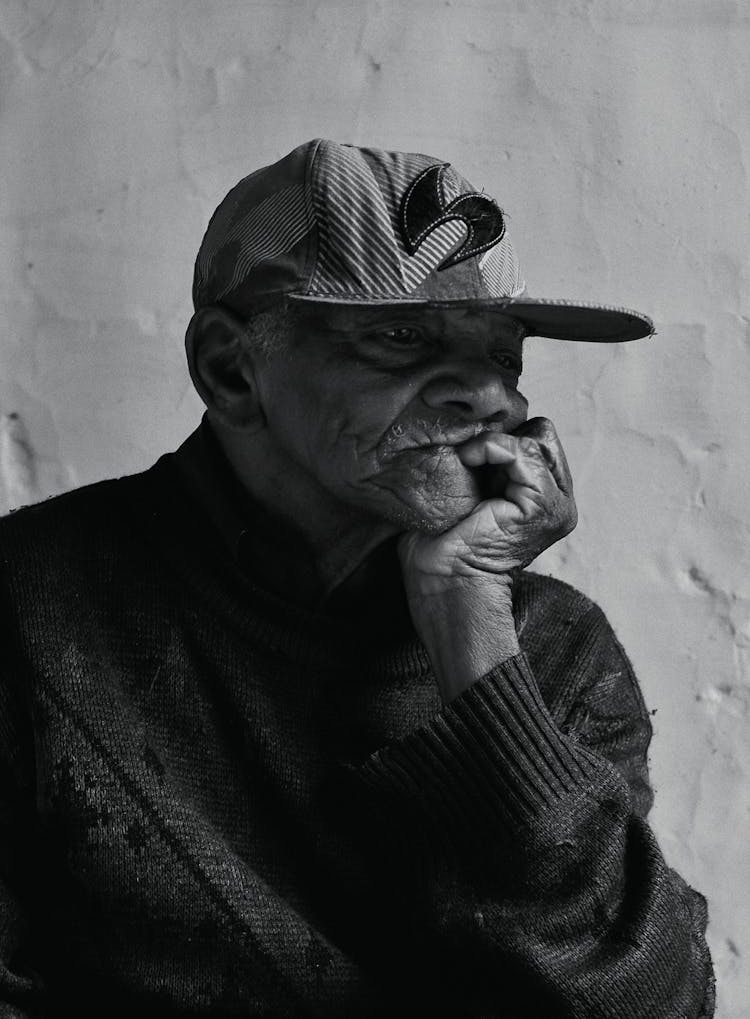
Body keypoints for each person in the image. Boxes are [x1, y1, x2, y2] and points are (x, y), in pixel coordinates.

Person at [0, 139, 714, 1017]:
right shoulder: (28, 601)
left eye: (505, 355)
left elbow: (654, 1005)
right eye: (403, 336)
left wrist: (473, 635)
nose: (489, 397)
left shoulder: (555, 648)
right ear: (231, 368)